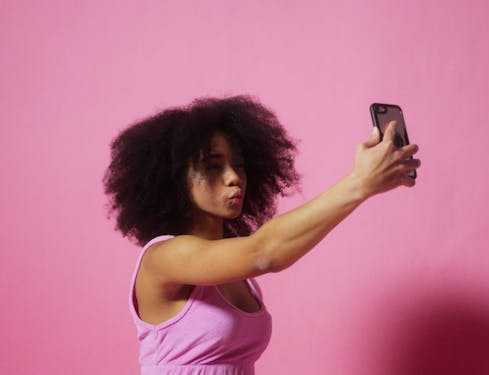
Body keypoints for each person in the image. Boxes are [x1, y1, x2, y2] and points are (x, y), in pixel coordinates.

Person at [103, 95, 420, 375]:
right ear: (174, 179)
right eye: (213, 167)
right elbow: (264, 252)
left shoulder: (238, 271)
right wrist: (359, 183)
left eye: (238, 166)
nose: (233, 178)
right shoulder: (165, 258)